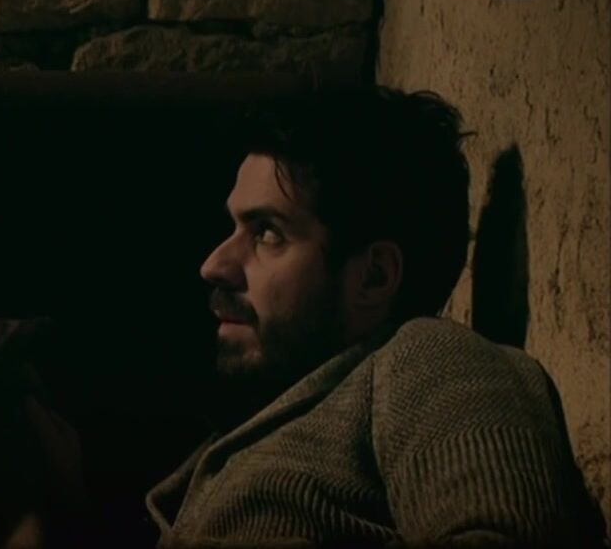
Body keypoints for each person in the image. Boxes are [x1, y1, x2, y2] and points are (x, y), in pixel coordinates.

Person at [146, 86, 605, 546]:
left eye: (267, 232)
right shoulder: (260, 429)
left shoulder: (428, 357)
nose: (214, 265)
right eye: (235, 227)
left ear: (374, 277)